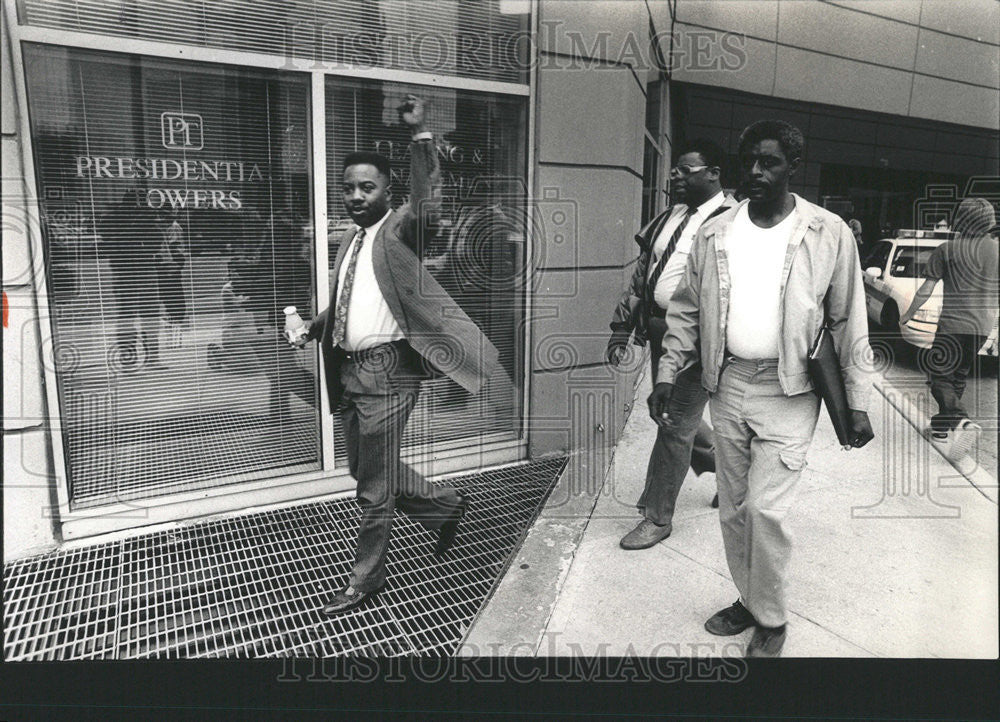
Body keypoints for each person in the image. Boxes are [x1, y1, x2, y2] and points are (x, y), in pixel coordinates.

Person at [648, 120, 874, 657]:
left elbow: (848, 319)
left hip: (790, 391)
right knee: (733, 507)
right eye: (749, 160)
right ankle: (749, 600)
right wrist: (666, 371)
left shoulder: (828, 232)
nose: (756, 171)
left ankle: (771, 619)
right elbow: (685, 309)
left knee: (766, 511)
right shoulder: (716, 231)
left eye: (769, 162)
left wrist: (858, 402)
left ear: (793, 167)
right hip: (726, 383)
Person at [292, 95, 500, 615]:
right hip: (351, 373)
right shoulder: (351, 239)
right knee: (364, 470)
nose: (357, 196)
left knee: (374, 489)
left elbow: (429, 201)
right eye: (349, 188)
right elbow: (349, 299)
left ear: (388, 190)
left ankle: (366, 580)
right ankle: (446, 505)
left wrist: (421, 136)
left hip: (390, 374)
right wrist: (313, 326)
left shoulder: (402, 230)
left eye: (369, 187)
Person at [607, 138, 737, 549]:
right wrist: (621, 327)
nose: (675, 175)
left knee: (673, 423)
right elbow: (643, 274)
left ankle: (657, 516)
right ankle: (733, 472)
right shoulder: (670, 215)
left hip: (696, 341)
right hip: (660, 332)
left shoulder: (734, 223)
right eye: (676, 169)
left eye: (686, 170)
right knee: (672, 414)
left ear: (714, 174)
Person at [900, 197, 999, 457]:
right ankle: (941, 428)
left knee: (938, 376)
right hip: (982, 327)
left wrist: (908, 314)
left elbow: (926, 290)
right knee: (957, 376)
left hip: (953, 324)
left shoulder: (947, 249)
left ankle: (959, 420)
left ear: (961, 219)